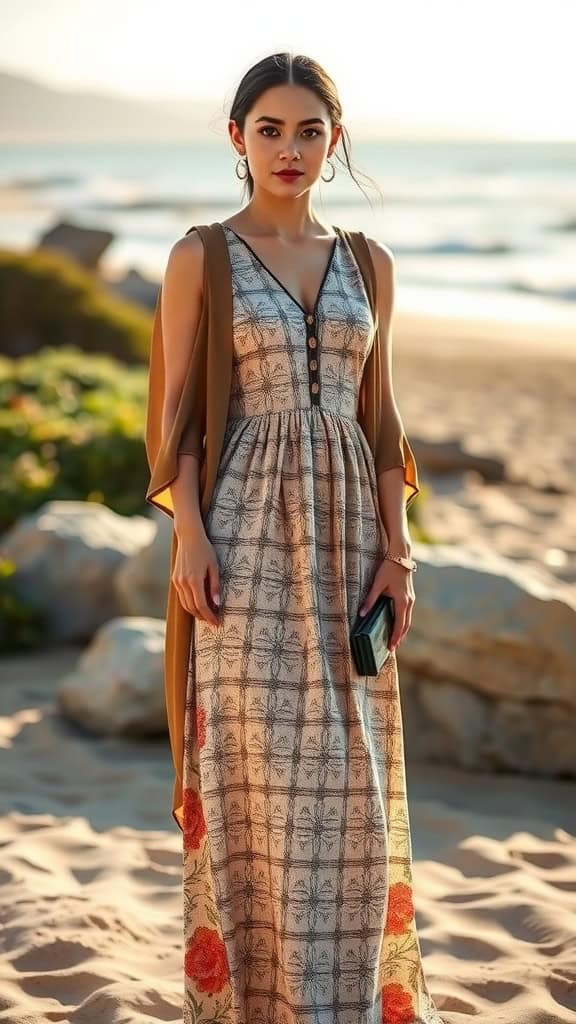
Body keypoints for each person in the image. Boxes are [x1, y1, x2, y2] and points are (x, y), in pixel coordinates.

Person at [154, 51, 444, 1024]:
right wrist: (189, 533)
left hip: (351, 540)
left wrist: (396, 549)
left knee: (352, 789)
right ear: (237, 137)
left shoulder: (369, 263)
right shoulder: (202, 254)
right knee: (257, 779)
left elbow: (382, 420)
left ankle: (345, 1002)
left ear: (335, 138)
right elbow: (181, 420)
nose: (290, 148)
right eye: (269, 128)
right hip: (242, 534)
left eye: (309, 129)